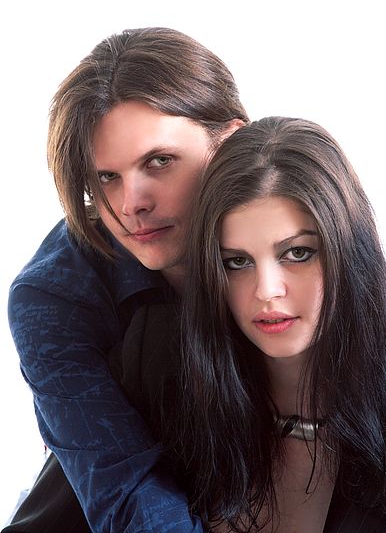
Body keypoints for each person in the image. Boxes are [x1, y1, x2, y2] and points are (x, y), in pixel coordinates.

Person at [6, 27, 248, 532]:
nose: (130, 204)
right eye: (106, 178)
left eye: (159, 162)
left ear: (230, 142)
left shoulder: (300, 227)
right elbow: (129, 496)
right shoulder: (53, 295)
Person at [108, 116, 386, 531]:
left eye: (297, 253)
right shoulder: (154, 367)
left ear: (350, 251)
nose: (266, 290)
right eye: (237, 262)